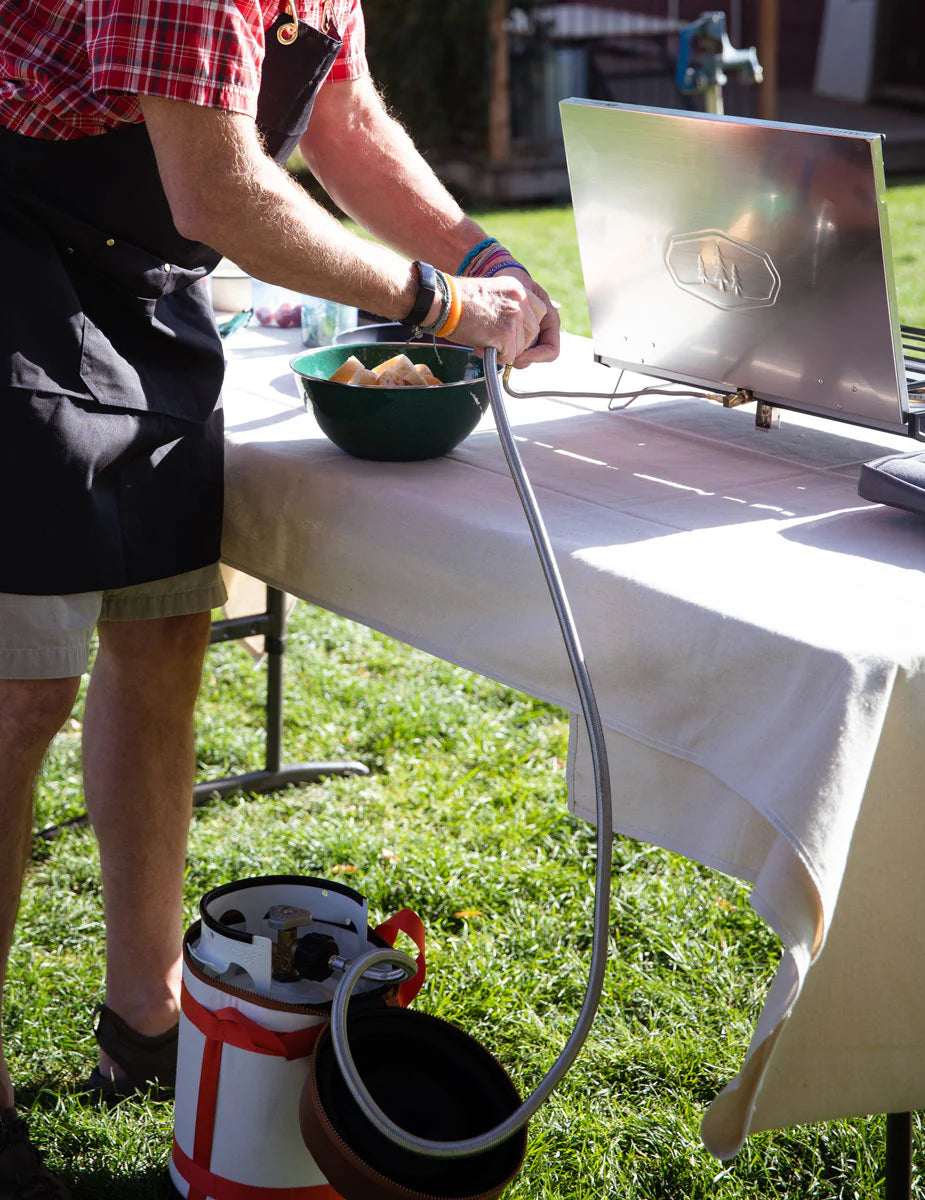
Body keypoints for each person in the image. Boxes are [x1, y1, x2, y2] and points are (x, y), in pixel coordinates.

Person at [0, 0, 560, 1194]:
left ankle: (145, 1017)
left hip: (140, 285)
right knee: (17, 697)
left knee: (162, 643)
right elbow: (218, 190)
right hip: (12, 264)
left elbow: (344, 115)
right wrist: (444, 305)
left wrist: (482, 256)